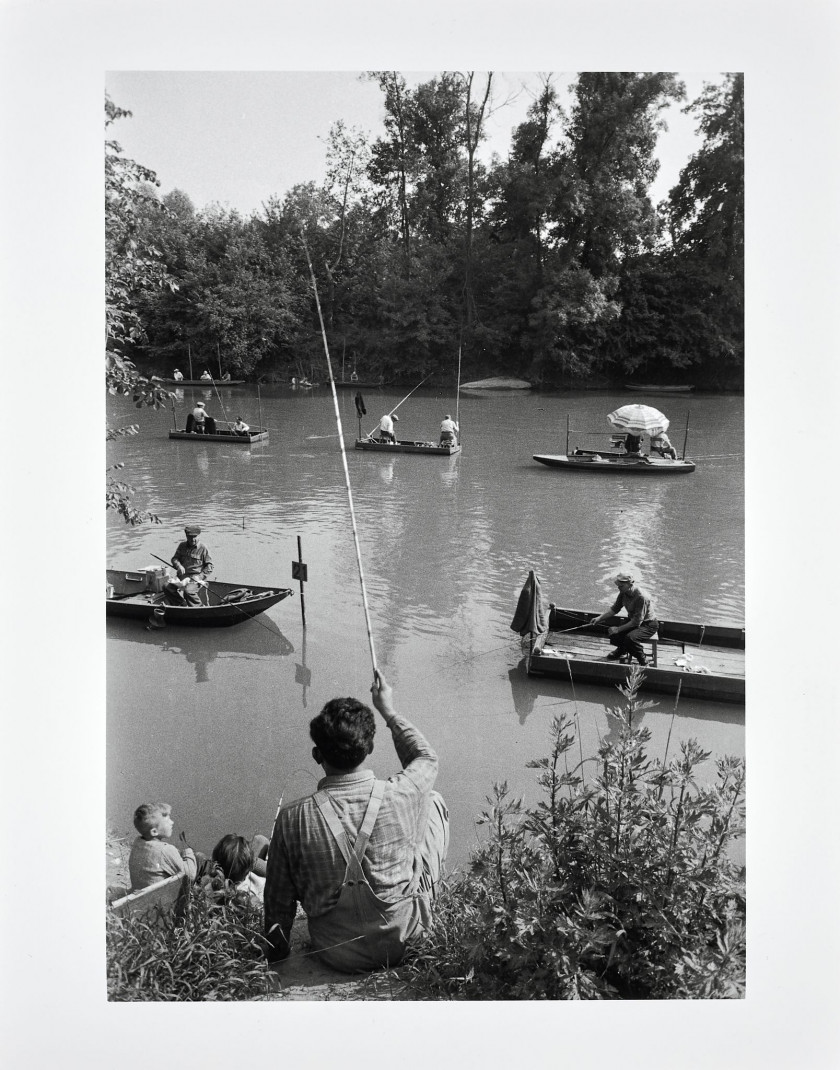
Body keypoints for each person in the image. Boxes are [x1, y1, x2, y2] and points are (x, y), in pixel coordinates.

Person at [264, 671, 449, 972]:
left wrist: (277, 957)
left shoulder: (292, 818)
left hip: (336, 954)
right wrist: (387, 711)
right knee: (433, 800)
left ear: (316, 754)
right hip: (405, 942)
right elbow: (426, 759)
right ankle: (427, 905)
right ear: (370, 749)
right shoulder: (401, 793)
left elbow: (277, 899)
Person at [590, 572, 659, 666]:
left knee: (630, 639)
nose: (619, 588)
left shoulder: (641, 597)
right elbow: (614, 609)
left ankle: (642, 659)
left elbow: (637, 622)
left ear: (630, 584)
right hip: (633, 620)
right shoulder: (623, 593)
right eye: (618, 586)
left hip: (648, 624)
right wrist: (599, 618)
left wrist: (618, 629)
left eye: (621, 586)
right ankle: (622, 650)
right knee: (612, 633)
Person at [128, 802, 198, 891]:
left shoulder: (138, 842)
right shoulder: (166, 850)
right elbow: (190, 876)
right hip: (162, 900)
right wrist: (188, 852)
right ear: (154, 832)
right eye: (167, 820)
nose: (172, 822)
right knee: (199, 859)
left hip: (143, 895)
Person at [202, 834, 269, 903]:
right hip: (260, 882)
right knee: (260, 840)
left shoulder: (209, 886)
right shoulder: (253, 891)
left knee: (259, 840)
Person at [171, 524, 213, 606]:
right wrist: (179, 566)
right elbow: (174, 559)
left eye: (195, 537)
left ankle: (200, 608)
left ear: (198, 536)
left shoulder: (203, 548)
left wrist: (199, 577)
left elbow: (210, 566)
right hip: (182, 577)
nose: (193, 539)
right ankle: (181, 604)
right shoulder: (182, 545)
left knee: (188, 591)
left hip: (196, 578)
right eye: (190, 537)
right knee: (167, 587)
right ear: (186, 536)